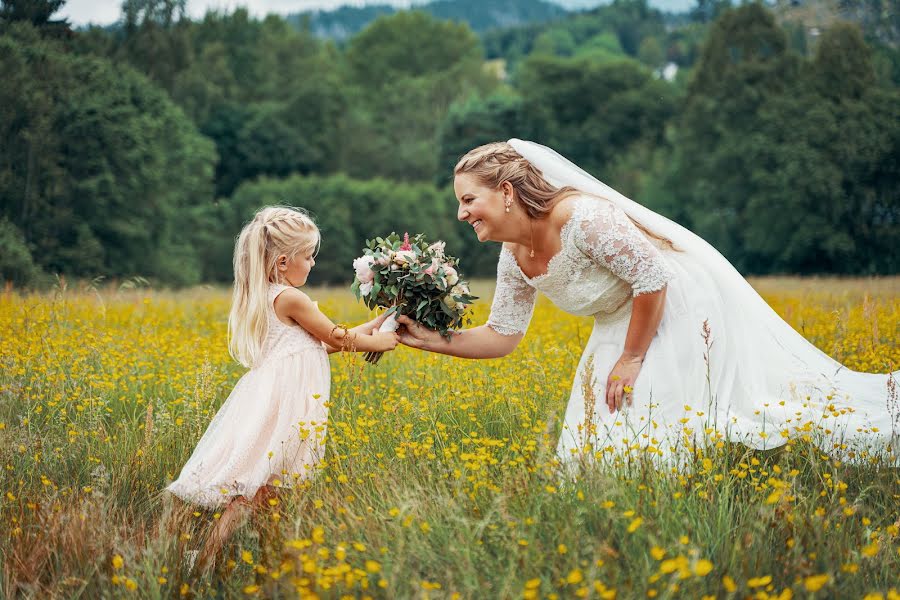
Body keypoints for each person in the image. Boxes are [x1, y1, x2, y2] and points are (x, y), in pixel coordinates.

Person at [397, 139, 898, 467]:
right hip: (622, 319)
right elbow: (502, 337)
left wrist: (633, 358)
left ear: (505, 192)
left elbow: (653, 278)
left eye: (468, 200)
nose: (461, 214)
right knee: (595, 452)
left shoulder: (583, 219)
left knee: (653, 426)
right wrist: (428, 341)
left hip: (678, 305)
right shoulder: (515, 256)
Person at [166, 206, 399, 567]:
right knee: (251, 489)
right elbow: (336, 336)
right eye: (308, 256)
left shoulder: (270, 295)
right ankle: (204, 561)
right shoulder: (291, 298)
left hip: (277, 393)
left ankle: (268, 562)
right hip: (285, 401)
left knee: (268, 490)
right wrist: (380, 342)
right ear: (283, 262)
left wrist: (380, 322)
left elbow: (322, 344)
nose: (313, 264)